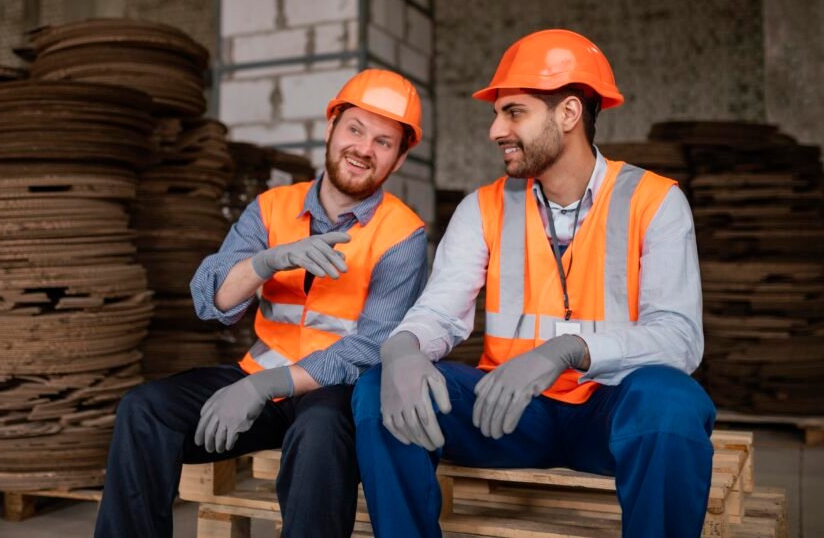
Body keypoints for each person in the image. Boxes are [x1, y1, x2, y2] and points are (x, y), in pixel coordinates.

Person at [353, 29, 715, 538]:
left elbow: (678, 340)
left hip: (608, 414)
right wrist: (404, 347)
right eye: (497, 113)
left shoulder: (654, 202)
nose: (495, 129)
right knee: (382, 387)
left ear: (568, 113)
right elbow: (439, 310)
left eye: (514, 112)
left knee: (672, 400)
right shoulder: (483, 207)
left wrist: (566, 351)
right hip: (506, 413)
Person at [95, 69, 430, 538]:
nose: (363, 149)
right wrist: (265, 262)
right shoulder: (271, 207)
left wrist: (264, 387)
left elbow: (372, 346)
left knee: (318, 434)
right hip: (259, 378)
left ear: (397, 160)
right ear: (330, 127)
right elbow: (210, 300)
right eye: (355, 129)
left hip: (333, 395)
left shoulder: (402, 234)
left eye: (383, 142)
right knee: (144, 409)